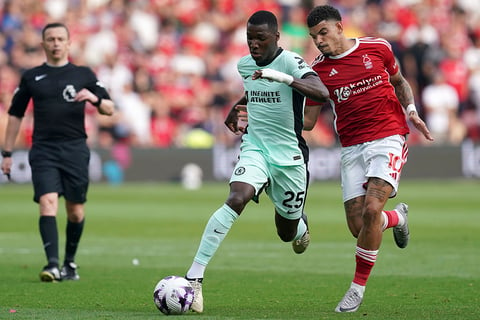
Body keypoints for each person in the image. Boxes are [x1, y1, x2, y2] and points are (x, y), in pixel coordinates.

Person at [184, 10, 329, 313]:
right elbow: (255, 90)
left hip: (289, 156)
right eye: (249, 38)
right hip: (256, 147)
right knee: (237, 198)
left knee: (286, 233)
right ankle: (194, 278)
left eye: (260, 39)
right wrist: (236, 107)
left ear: (276, 37)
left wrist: (283, 77)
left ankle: (300, 223)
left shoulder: (290, 62)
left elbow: (321, 92)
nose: (253, 45)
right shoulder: (244, 65)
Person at [304, 5, 434, 313]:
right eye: (313, 36)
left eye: (323, 32)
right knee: (360, 225)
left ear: (339, 27)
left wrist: (411, 111)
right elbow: (308, 122)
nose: (319, 41)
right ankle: (398, 218)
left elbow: (399, 81)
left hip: (388, 135)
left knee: (374, 206)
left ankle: (356, 289)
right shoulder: (318, 71)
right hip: (351, 146)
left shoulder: (377, 48)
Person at [1, 22, 115, 282]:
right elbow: (15, 115)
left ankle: (69, 263)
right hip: (43, 149)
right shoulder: (31, 77)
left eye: (60, 38)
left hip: (75, 148)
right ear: (43, 44)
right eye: (50, 39)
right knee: (47, 202)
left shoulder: (83, 74)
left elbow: (110, 108)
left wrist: (95, 99)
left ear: (68, 43)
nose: (55, 43)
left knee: (75, 211)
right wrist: (7, 152)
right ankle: (52, 265)